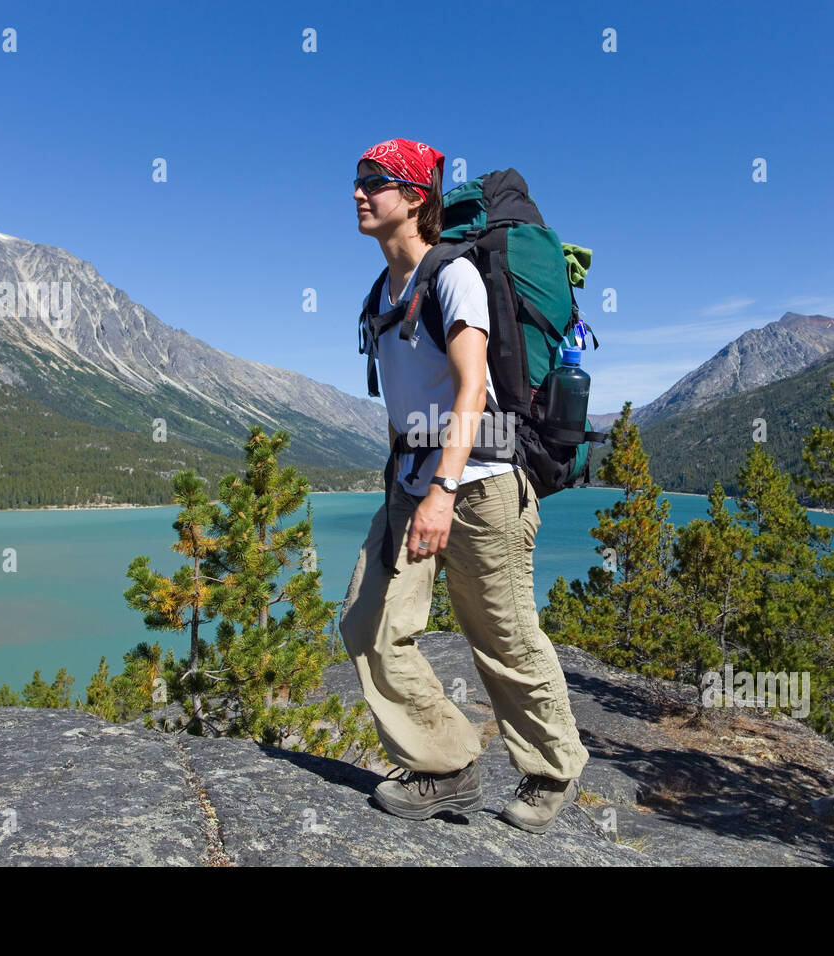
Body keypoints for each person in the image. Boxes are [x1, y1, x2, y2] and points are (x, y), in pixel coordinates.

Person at [339, 137, 590, 835]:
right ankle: (447, 766)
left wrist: (444, 491)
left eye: (375, 182)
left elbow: (471, 385)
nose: (359, 193)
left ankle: (553, 770)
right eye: (357, 181)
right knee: (368, 623)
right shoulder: (383, 290)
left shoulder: (454, 277)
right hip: (413, 479)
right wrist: (407, 491)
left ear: (416, 197)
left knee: (502, 636)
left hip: (478, 482)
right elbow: (401, 405)